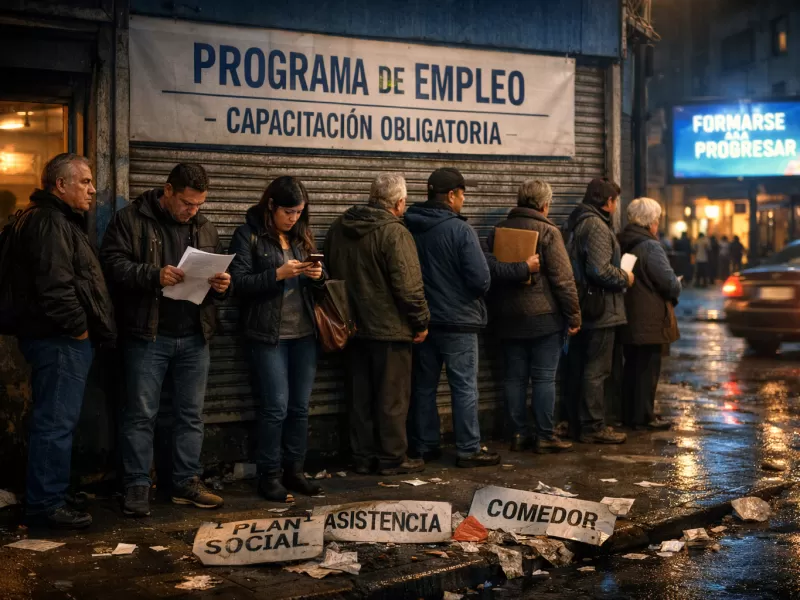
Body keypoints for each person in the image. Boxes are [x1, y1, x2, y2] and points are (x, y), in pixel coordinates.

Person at [100, 163, 230, 517]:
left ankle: (186, 482)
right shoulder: (130, 220)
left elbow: (215, 277)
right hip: (147, 334)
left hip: (194, 335)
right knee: (141, 414)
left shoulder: (204, 226)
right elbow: (111, 266)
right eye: (188, 203)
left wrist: (220, 287)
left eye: (199, 204)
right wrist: (153, 275)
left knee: (191, 415)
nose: (194, 211)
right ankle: (137, 485)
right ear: (168, 190)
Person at [7, 153, 116, 529]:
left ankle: (50, 492)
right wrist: (78, 328)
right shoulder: (50, 222)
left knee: (58, 421)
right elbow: (56, 288)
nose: (92, 188)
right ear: (61, 185)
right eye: (84, 181)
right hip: (58, 339)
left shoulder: (50, 219)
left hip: (55, 338)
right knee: (55, 422)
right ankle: (45, 505)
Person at [324, 173, 430, 476]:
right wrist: (421, 322)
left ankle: (362, 456)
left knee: (360, 397)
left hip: (351, 329)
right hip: (389, 331)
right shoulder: (395, 233)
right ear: (399, 202)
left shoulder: (339, 228)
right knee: (392, 398)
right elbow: (409, 287)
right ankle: (392, 458)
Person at [229, 177, 326, 502]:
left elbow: (323, 285)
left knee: (299, 408)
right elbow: (238, 283)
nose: (294, 218)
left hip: (304, 335)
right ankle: (269, 475)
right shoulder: (249, 235)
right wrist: (277, 275)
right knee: (276, 407)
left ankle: (294, 470)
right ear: (271, 205)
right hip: (268, 335)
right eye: (288, 212)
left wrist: (318, 276)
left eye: (299, 212)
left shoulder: (301, 236)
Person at [405, 168, 500, 468]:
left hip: (423, 321)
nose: (463, 199)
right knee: (463, 386)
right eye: (462, 194)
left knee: (423, 386)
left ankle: (424, 444)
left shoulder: (408, 225)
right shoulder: (460, 230)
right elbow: (481, 279)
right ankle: (468, 448)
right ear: (451, 195)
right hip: (459, 322)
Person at [483, 179, 581, 453]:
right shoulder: (548, 231)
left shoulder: (499, 229)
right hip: (543, 319)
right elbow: (563, 279)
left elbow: (490, 270)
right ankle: (544, 436)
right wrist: (574, 316)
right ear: (544, 204)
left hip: (507, 318)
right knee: (543, 378)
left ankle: (518, 433)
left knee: (514, 378)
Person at [562, 178, 633, 444]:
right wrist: (625, 277)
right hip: (600, 310)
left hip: (588, 307)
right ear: (608, 202)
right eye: (615, 201)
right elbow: (599, 270)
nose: (616, 206)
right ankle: (592, 426)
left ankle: (578, 423)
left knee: (582, 366)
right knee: (596, 370)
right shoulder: (596, 226)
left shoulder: (580, 221)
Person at [618, 198, 681, 429]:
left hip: (629, 314)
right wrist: (677, 285)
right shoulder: (650, 246)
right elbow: (668, 282)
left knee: (632, 366)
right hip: (649, 319)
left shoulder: (624, 241)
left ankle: (630, 415)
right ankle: (644, 417)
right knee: (647, 369)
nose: (657, 224)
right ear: (651, 221)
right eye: (657, 219)